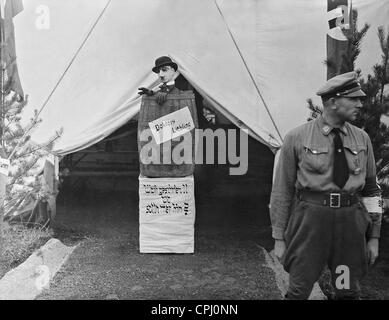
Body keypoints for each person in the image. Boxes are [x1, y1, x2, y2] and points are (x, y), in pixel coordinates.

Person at [270, 71, 382, 300]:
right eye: (354, 99)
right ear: (332, 102)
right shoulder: (297, 137)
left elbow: (372, 191)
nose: (360, 104)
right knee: (299, 290)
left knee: (346, 289)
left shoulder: (362, 138)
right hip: (310, 224)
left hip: (349, 227)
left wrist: (374, 237)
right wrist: (279, 239)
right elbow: (282, 190)